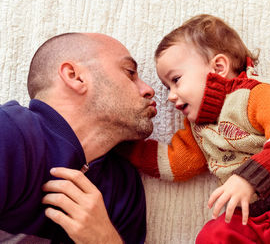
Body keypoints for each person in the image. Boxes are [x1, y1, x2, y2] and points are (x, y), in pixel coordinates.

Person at [120, 14, 270, 243]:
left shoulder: (257, 95)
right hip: (259, 219)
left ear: (219, 67)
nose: (171, 96)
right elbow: (175, 163)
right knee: (214, 233)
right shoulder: (198, 128)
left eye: (176, 80)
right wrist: (121, 145)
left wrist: (249, 180)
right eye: (166, 86)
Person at [0, 32, 157, 243]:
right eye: (130, 73)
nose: (149, 90)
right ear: (75, 76)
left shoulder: (124, 186)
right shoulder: (9, 132)